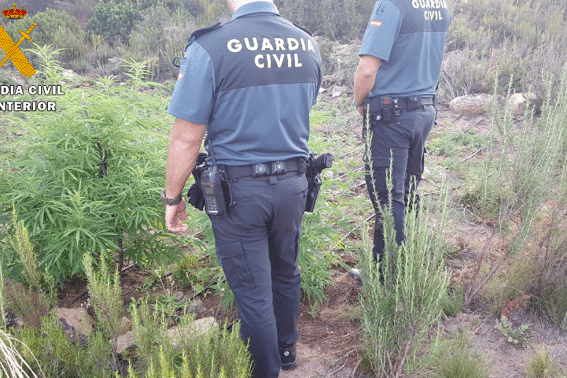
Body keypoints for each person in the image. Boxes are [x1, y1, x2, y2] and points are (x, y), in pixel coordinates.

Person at [162, 0, 322, 376]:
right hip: (294, 185)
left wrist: (172, 197)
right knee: (285, 270)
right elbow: (305, 104)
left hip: (240, 193)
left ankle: (264, 371)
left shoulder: (210, 46)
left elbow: (187, 138)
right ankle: (287, 353)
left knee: (252, 293)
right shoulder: (305, 43)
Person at [353, 1, 451, 271]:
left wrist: (359, 102)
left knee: (387, 197)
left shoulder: (392, 4)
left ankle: (390, 275)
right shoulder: (439, 4)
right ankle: (401, 265)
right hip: (424, 109)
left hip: (392, 114)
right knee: (407, 192)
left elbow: (367, 70)